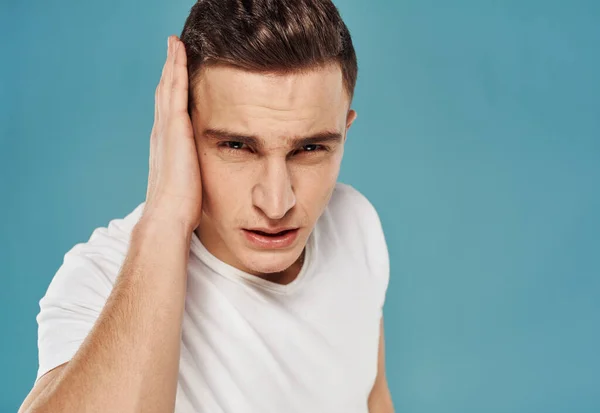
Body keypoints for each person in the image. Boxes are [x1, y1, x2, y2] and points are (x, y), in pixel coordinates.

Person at [18, 0, 394, 412]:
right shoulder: (103, 278)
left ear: (345, 131)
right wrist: (166, 216)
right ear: (181, 131)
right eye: (236, 145)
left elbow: (373, 398)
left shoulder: (354, 223)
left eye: (309, 148)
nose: (276, 203)